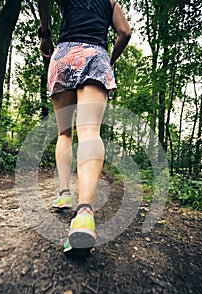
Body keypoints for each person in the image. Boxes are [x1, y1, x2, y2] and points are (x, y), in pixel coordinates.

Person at [37, 0, 131, 255]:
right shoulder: (110, 1)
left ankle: (64, 193)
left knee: (64, 133)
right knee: (90, 130)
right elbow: (125, 32)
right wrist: (108, 60)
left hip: (65, 54)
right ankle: (85, 214)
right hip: (96, 54)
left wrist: (45, 33)